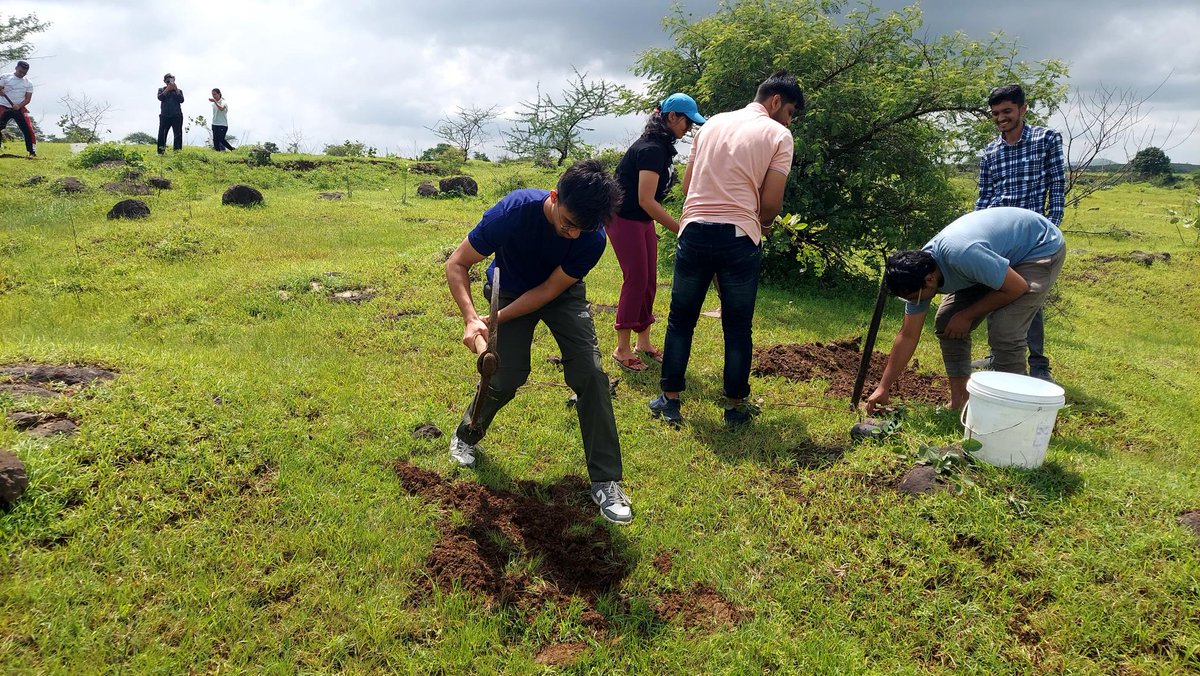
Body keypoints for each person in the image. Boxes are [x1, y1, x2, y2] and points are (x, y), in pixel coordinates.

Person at [444, 159, 632, 525]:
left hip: (561, 294)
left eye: (584, 229)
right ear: (554, 197)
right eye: (569, 224)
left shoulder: (592, 237)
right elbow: (457, 263)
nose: (574, 234)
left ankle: (606, 481)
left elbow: (548, 291)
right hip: (509, 286)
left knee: (590, 372)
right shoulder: (513, 211)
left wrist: (495, 320)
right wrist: (472, 318)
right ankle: (466, 433)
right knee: (507, 374)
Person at [649, 71, 803, 428]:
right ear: (776, 101)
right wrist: (760, 227)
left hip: (694, 230)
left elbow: (687, 186)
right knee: (737, 326)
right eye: (791, 110)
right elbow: (771, 203)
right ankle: (735, 407)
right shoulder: (779, 134)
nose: (790, 119)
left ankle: (669, 401)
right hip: (738, 236)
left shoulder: (711, 125)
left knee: (680, 319)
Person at [864, 207, 1066, 413]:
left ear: (930, 279)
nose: (912, 302)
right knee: (947, 322)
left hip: (1038, 247)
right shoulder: (919, 273)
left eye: (911, 297)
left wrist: (967, 315)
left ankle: (1013, 412)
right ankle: (961, 401)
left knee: (1005, 331)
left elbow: (1017, 287)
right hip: (994, 257)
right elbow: (908, 335)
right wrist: (883, 387)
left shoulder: (962, 255)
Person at [608, 93, 706, 373]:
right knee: (636, 279)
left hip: (640, 220)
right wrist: (681, 228)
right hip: (624, 218)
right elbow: (645, 200)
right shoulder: (651, 149)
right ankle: (622, 348)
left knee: (650, 279)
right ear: (672, 117)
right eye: (687, 122)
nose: (689, 128)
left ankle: (644, 342)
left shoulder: (662, 147)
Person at [974, 83, 1066, 382]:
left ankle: (1039, 363)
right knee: (997, 288)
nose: (1001, 118)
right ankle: (996, 355)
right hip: (998, 235)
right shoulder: (990, 152)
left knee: (1028, 294)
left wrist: (1052, 225)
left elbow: (1057, 185)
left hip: (1032, 236)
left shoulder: (1045, 139)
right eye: (996, 113)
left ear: (1023, 108)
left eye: (1007, 112)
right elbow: (985, 197)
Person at [0, 61, 37, 157]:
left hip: (19, 108)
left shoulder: (28, 83)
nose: (21, 74)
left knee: (28, 129)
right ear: (16, 68)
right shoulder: (5, 77)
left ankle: (32, 152)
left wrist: (19, 106)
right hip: (3, 105)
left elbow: (28, 99)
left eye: (24, 73)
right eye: (20, 71)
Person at [156, 73, 185, 154]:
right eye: (168, 81)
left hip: (177, 115)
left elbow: (181, 100)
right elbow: (160, 98)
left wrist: (176, 89)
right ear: (164, 81)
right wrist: (167, 89)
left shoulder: (179, 91)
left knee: (178, 134)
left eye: (171, 80)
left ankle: (177, 152)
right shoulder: (161, 90)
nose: (169, 82)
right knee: (162, 133)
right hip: (165, 115)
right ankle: (161, 151)